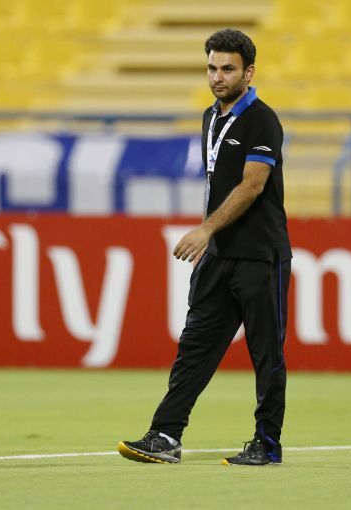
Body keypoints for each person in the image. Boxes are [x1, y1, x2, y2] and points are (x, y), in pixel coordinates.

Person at [118, 28, 292, 466]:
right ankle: (165, 434)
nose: (217, 77)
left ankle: (267, 444)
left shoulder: (262, 120)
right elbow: (220, 182)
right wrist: (211, 239)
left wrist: (205, 230)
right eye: (212, 68)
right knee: (194, 347)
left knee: (266, 355)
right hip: (219, 256)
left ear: (248, 73)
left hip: (260, 256)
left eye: (227, 69)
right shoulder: (209, 117)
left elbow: (252, 186)